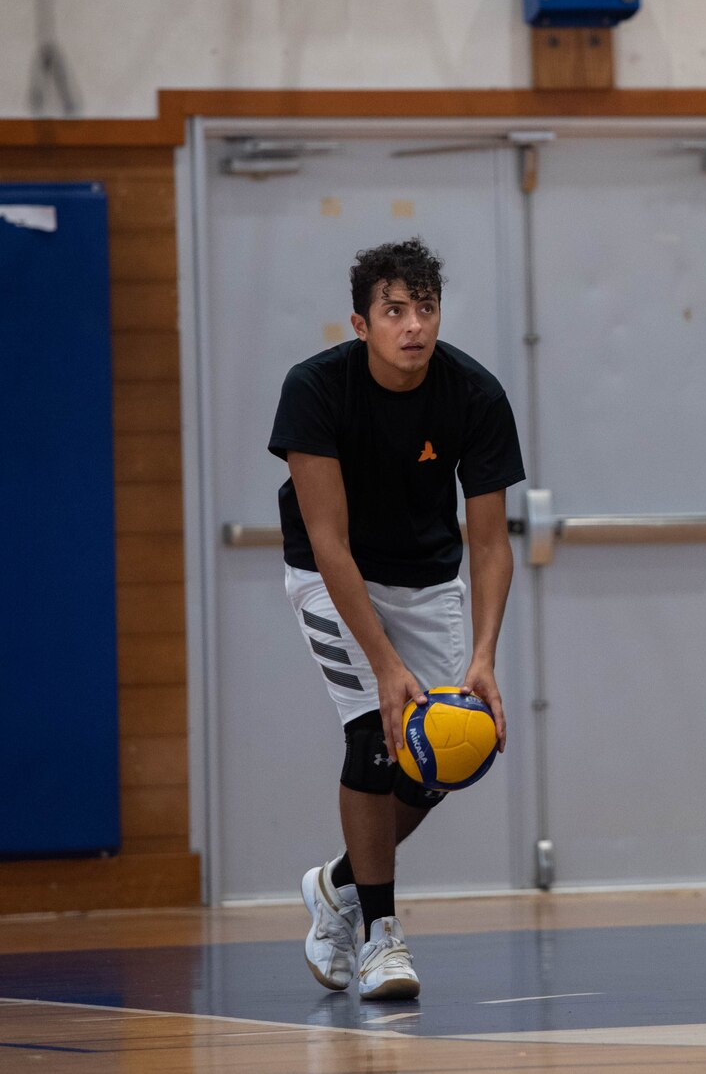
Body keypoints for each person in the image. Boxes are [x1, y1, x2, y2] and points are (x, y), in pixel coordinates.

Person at [269, 237, 524, 1001]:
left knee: (445, 752)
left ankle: (338, 882)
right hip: (330, 576)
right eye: (395, 310)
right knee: (373, 736)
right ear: (361, 321)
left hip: (424, 578)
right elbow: (329, 540)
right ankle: (381, 932)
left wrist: (483, 656)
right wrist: (385, 665)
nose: (414, 325)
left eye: (426, 308)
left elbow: (488, 541)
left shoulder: (474, 394)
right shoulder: (314, 390)